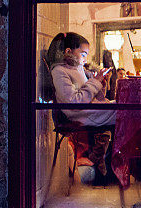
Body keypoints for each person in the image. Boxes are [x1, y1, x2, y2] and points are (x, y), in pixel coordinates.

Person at [48, 32, 115, 184]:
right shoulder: (59, 71)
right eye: (83, 54)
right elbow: (74, 102)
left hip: (89, 110)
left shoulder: (78, 69)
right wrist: (95, 82)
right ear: (68, 52)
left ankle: (115, 165)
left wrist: (100, 84)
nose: (85, 59)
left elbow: (93, 96)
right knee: (127, 111)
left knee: (126, 107)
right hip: (80, 114)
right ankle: (115, 167)